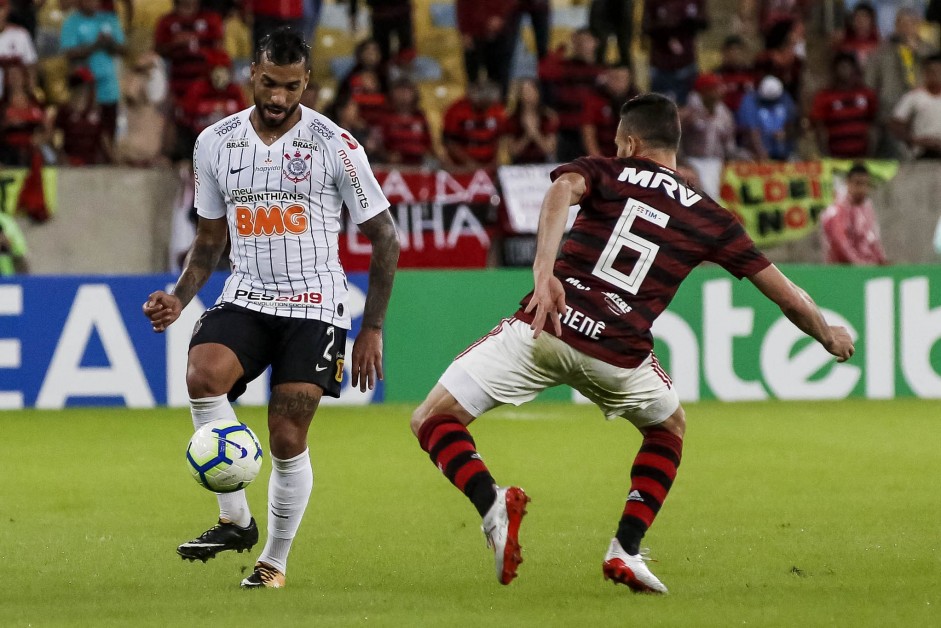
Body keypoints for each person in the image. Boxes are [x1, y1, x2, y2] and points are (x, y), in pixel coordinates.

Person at [408, 93, 855, 593]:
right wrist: (827, 334)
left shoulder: (607, 172)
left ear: (630, 141)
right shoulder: (712, 217)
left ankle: (493, 504)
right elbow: (787, 296)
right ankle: (626, 551)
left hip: (547, 325)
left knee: (432, 419)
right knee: (669, 428)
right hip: (619, 354)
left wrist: (543, 272)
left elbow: (560, 189)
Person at [142, 27, 400, 590]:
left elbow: (385, 236)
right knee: (202, 374)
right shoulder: (215, 142)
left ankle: (274, 562)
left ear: (307, 83)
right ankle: (235, 521)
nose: (278, 97)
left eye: (291, 86)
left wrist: (372, 327)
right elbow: (210, 240)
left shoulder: (335, 144)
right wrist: (179, 296)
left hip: (315, 305)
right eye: (268, 83)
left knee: (286, 436)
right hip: (248, 295)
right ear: (250, 75)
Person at [60, 0, 127, 145]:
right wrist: (95, 45)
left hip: (108, 86)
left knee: (109, 130)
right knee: (84, 131)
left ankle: (109, 160)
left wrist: (110, 43)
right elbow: (69, 52)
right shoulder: (72, 22)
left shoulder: (109, 19)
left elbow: (123, 49)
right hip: (84, 89)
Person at [809, 52, 878, 158]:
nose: (845, 71)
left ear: (855, 69)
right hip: (835, 154)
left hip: (863, 155)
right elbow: (819, 126)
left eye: (848, 66)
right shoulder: (824, 97)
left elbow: (873, 121)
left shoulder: (867, 94)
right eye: (841, 67)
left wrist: (872, 149)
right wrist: (824, 151)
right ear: (835, 70)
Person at [820, 162, 888, 264]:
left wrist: (882, 261)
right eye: (858, 183)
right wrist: (860, 266)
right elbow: (840, 244)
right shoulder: (835, 211)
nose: (862, 189)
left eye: (866, 184)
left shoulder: (867, 209)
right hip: (843, 272)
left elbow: (872, 240)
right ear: (848, 183)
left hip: (867, 271)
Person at [890, 54, 941, 159]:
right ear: (925, 73)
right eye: (931, 71)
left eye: (939, 71)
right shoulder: (913, 96)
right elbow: (896, 123)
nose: (935, 74)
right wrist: (913, 140)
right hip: (921, 152)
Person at [737, 74, 798, 160]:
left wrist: (785, 134)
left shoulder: (785, 98)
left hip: (784, 151)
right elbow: (752, 131)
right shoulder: (750, 101)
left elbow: (791, 124)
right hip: (758, 154)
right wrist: (762, 154)